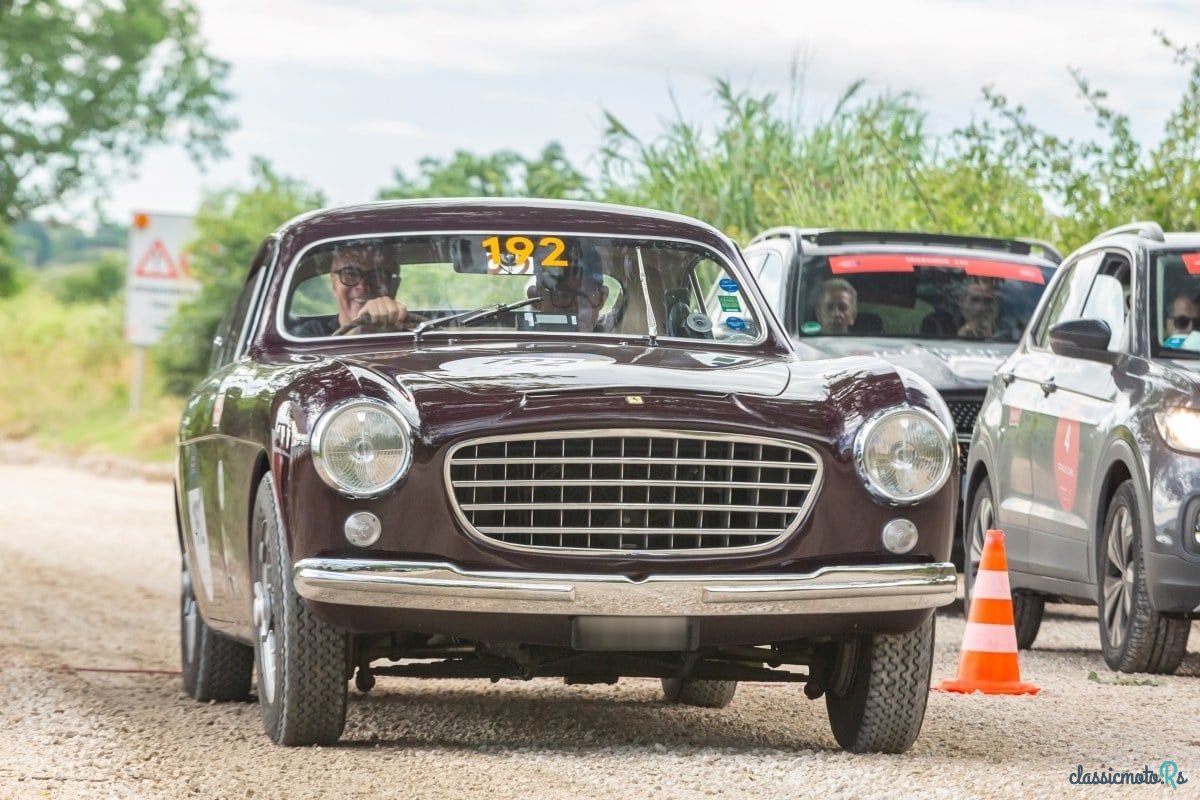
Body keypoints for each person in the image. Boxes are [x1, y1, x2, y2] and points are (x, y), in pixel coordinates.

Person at [295, 243, 408, 337]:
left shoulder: (416, 336)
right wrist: (357, 331)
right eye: (350, 274)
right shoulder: (308, 336)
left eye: (376, 276)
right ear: (334, 284)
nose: (362, 287)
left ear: (394, 286)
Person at [529, 260, 613, 333]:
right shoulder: (519, 340)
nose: (575, 308)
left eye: (585, 297)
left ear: (602, 299)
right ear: (537, 299)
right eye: (562, 295)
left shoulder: (616, 342)